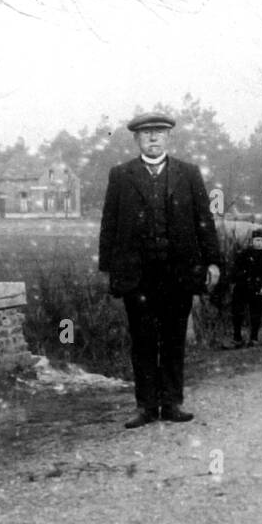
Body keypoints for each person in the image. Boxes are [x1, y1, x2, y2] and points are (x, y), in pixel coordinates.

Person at [99, 112, 222, 428]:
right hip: (137, 275)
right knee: (142, 340)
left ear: (168, 138)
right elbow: (109, 223)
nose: (153, 138)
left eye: (159, 133)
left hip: (177, 273)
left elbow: (204, 221)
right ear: (137, 139)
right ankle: (145, 406)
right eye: (146, 134)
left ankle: (171, 402)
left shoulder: (189, 173)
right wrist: (110, 268)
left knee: (173, 338)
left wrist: (212, 261)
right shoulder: (121, 175)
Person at [229, 228, 262, 348]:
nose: (259, 243)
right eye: (257, 240)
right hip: (241, 287)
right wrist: (235, 279)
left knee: (256, 313)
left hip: (258, 288)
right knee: (237, 312)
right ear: (252, 241)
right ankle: (237, 338)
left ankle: (254, 338)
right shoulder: (244, 254)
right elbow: (235, 269)